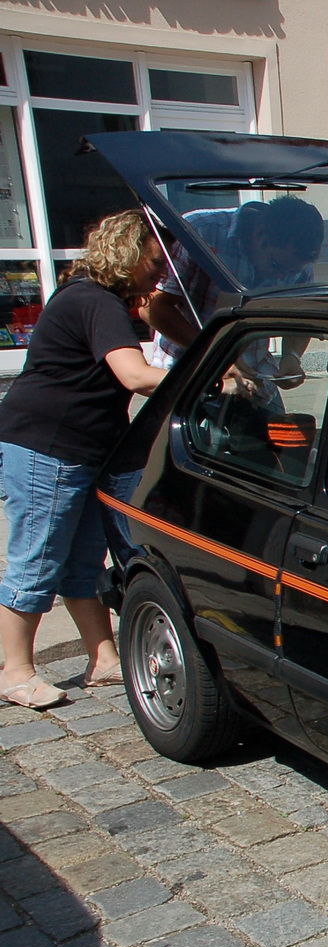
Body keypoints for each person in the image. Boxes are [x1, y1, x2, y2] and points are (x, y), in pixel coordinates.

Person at [0, 210, 167, 708]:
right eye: (155, 262)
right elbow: (135, 375)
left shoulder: (99, 299)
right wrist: (214, 381)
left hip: (81, 449)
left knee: (80, 561)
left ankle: (104, 660)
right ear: (131, 255)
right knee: (37, 559)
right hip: (48, 447)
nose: (160, 272)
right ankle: (15, 670)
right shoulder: (95, 302)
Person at [145, 196, 323, 369]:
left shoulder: (297, 256)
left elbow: (299, 319)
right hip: (190, 369)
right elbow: (153, 307)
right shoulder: (200, 231)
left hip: (254, 370)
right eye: (277, 267)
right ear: (260, 235)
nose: (282, 278)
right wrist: (217, 354)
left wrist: (291, 357)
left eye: (292, 273)